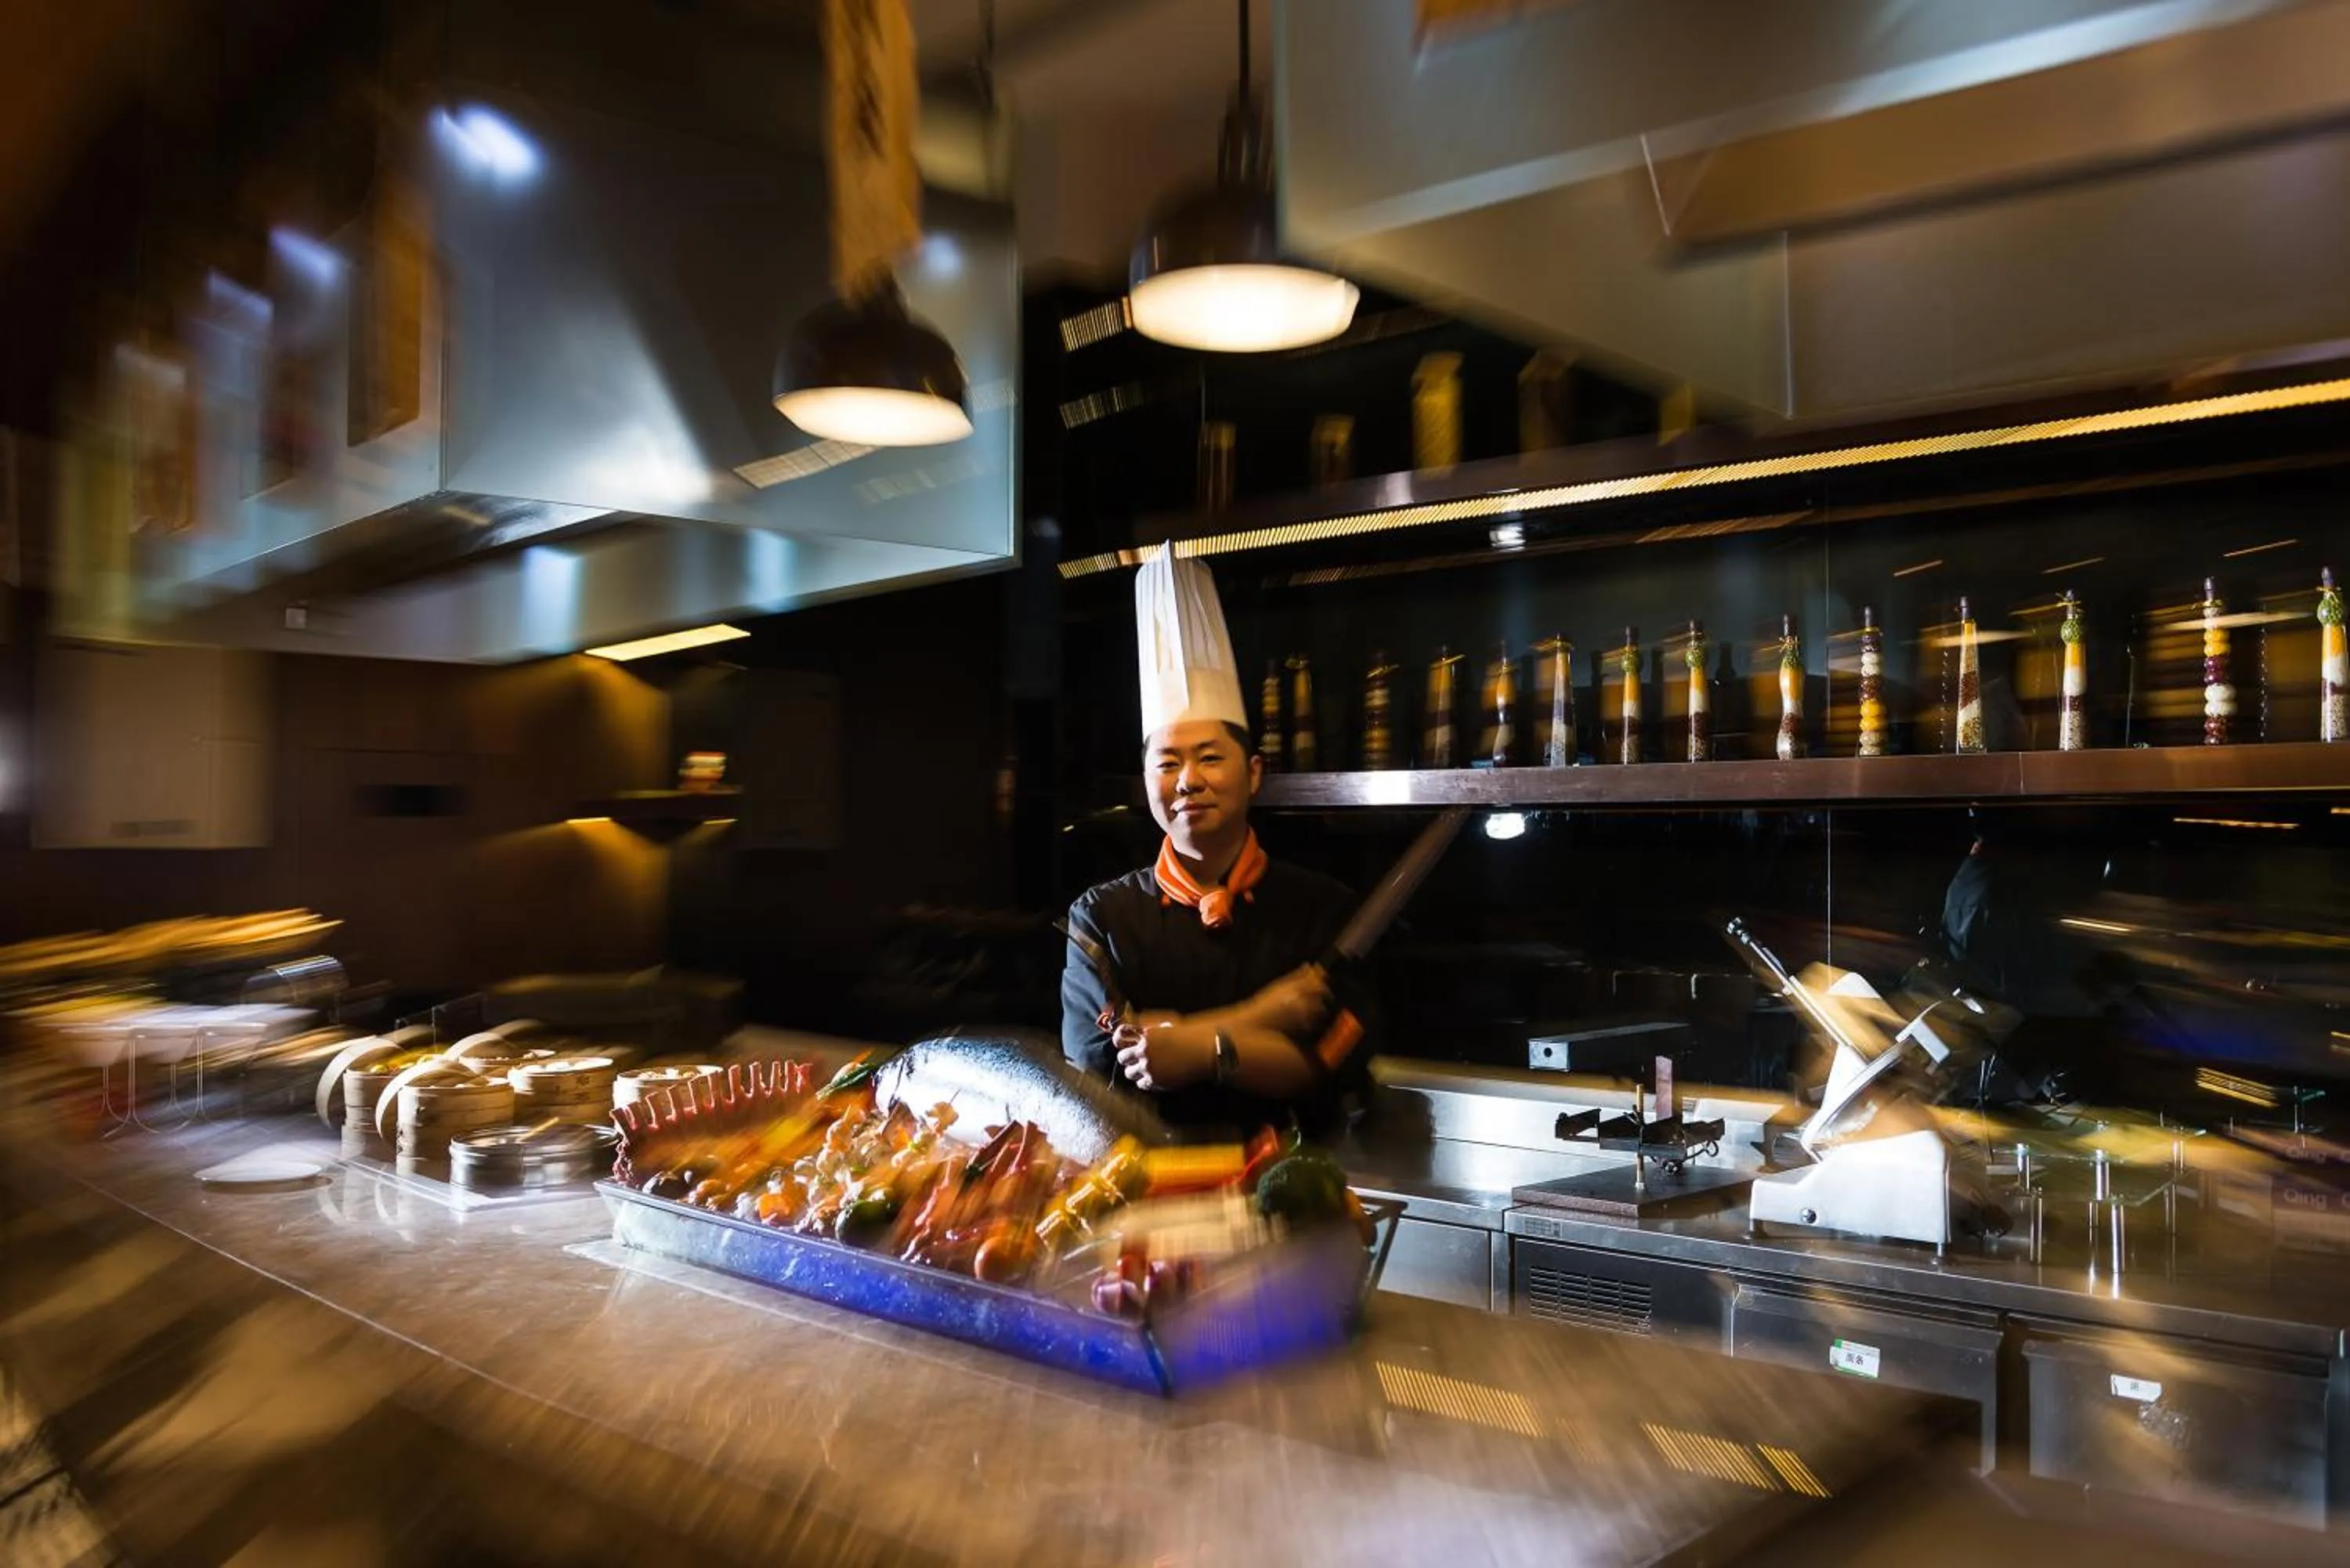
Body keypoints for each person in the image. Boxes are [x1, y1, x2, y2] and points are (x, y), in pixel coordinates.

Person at [1060, 551, 1377, 1139]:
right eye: (1167, 763)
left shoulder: (1322, 909)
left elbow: (1332, 1063)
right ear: (1145, 780)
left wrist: (1194, 1048)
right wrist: (1262, 1017)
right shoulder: (1102, 918)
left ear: (1253, 772)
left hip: (1288, 1182)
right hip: (1146, 1184)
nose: (1187, 780)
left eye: (1209, 758)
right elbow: (1103, 1071)